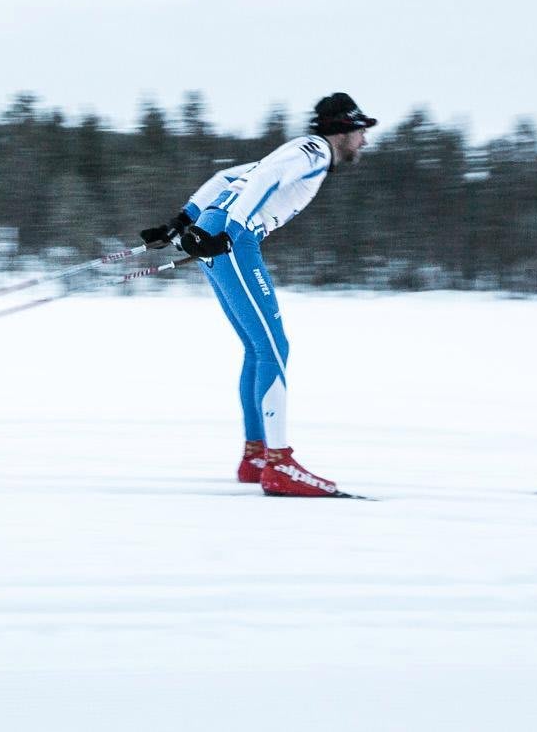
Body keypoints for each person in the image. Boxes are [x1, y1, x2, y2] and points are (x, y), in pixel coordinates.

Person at [140, 92, 376, 498]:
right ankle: (279, 463)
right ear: (342, 129)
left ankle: (256, 456)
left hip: (220, 233)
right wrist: (226, 231)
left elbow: (226, 178)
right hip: (232, 238)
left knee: (258, 347)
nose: (364, 142)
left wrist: (183, 222)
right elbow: (263, 183)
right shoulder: (315, 150)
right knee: (273, 347)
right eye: (360, 132)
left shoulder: (298, 151)